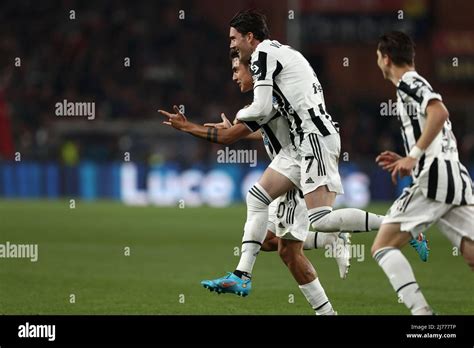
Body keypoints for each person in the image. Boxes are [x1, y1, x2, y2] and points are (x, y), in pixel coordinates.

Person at [160, 50, 351, 313]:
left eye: (237, 70)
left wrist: (188, 127)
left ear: (255, 71)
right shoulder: (270, 100)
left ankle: (244, 276)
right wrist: (236, 129)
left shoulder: (268, 100)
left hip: (299, 170)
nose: (234, 75)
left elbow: (230, 138)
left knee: (286, 248)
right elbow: (267, 131)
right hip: (290, 166)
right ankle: (330, 241)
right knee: (273, 243)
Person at [371, 31, 474, 315]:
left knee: (382, 247)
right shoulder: (411, 84)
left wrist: (413, 156)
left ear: (386, 58)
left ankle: (422, 315)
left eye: (378, 57)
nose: (378, 62)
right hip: (455, 177)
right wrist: (410, 157)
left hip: (435, 179)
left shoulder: (408, 82)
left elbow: (439, 113)